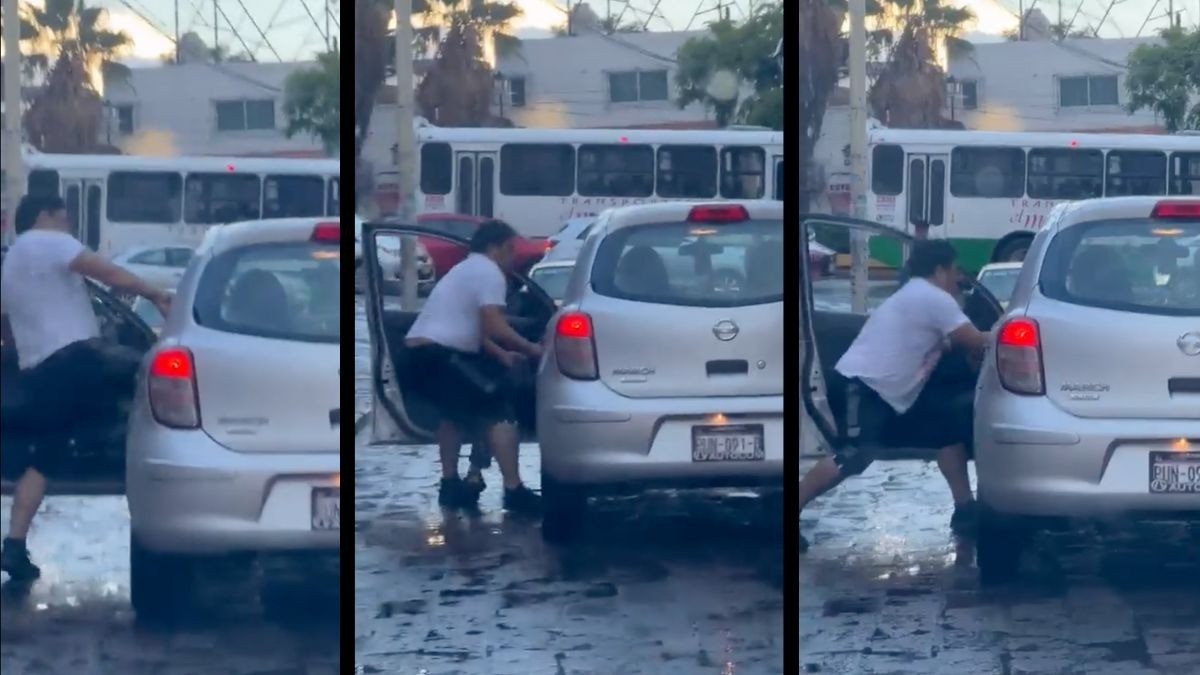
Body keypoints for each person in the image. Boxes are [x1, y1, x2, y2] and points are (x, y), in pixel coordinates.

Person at [0, 194, 172, 582]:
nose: (69, 225)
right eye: (65, 217)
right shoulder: (48, 241)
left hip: (39, 371)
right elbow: (105, 272)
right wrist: (154, 294)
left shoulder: (13, 260)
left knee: (44, 456)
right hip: (76, 360)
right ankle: (126, 455)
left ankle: (14, 545)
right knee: (145, 370)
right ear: (45, 216)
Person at [797, 240, 988, 553]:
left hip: (888, 394)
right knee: (855, 456)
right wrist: (1004, 331)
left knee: (946, 431)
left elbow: (944, 342)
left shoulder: (915, 294)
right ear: (939, 270)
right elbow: (973, 340)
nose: (958, 278)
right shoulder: (934, 298)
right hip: (864, 388)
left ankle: (965, 510)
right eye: (955, 270)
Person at [402, 219, 544, 513]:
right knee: (499, 412)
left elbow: (475, 328)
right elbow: (495, 324)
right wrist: (532, 349)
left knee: (453, 416)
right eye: (509, 249)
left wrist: (502, 356)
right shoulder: (489, 272)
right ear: (496, 248)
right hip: (442, 355)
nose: (512, 256)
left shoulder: (466, 268)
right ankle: (514, 490)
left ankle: (450, 485)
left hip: (421, 355)